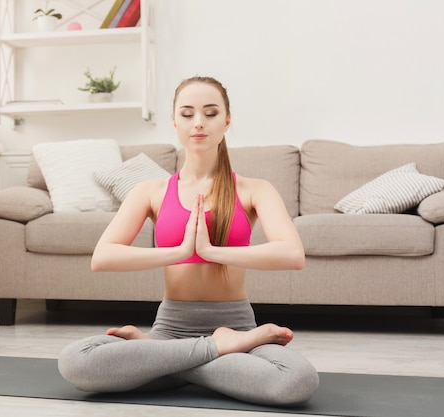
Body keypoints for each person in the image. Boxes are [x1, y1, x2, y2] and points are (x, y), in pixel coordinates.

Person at [58, 76, 319, 406]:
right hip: (171, 328)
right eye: (187, 113)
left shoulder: (255, 189)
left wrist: (211, 252)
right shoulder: (150, 191)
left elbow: (292, 254)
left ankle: (162, 357)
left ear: (227, 120)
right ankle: (214, 351)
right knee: (76, 360)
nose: (199, 123)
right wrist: (180, 252)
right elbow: (103, 257)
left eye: (210, 113)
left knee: (297, 380)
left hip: (237, 327)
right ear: (174, 122)